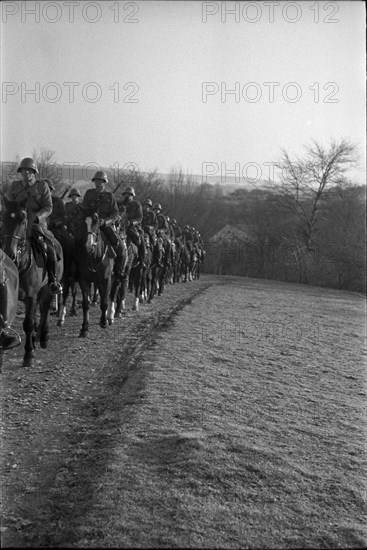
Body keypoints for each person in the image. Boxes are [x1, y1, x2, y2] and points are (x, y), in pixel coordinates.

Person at [5, 158, 63, 295]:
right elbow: (9, 204)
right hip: (17, 223)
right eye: (24, 170)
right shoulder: (14, 186)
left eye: (30, 171)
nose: (27, 173)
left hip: (36, 223)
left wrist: (37, 217)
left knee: (48, 247)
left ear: (34, 172)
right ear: (21, 172)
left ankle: (53, 280)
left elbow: (48, 207)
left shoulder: (42, 186)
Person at [82, 170, 125, 280]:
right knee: (75, 241)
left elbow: (115, 213)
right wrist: (91, 214)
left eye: (100, 180)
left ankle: (118, 271)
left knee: (118, 244)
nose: (98, 182)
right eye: (96, 180)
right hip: (90, 224)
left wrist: (104, 221)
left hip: (104, 225)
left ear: (104, 182)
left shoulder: (109, 196)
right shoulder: (89, 193)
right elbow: (83, 208)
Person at [120, 186, 146, 265]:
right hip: (121, 226)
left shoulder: (137, 204)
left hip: (133, 227)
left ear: (132, 195)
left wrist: (131, 223)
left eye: (129, 194)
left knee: (140, 238)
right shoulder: (120, 204)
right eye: (126, 194)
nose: (127, 196)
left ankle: (142, 259)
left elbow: (139, 218)